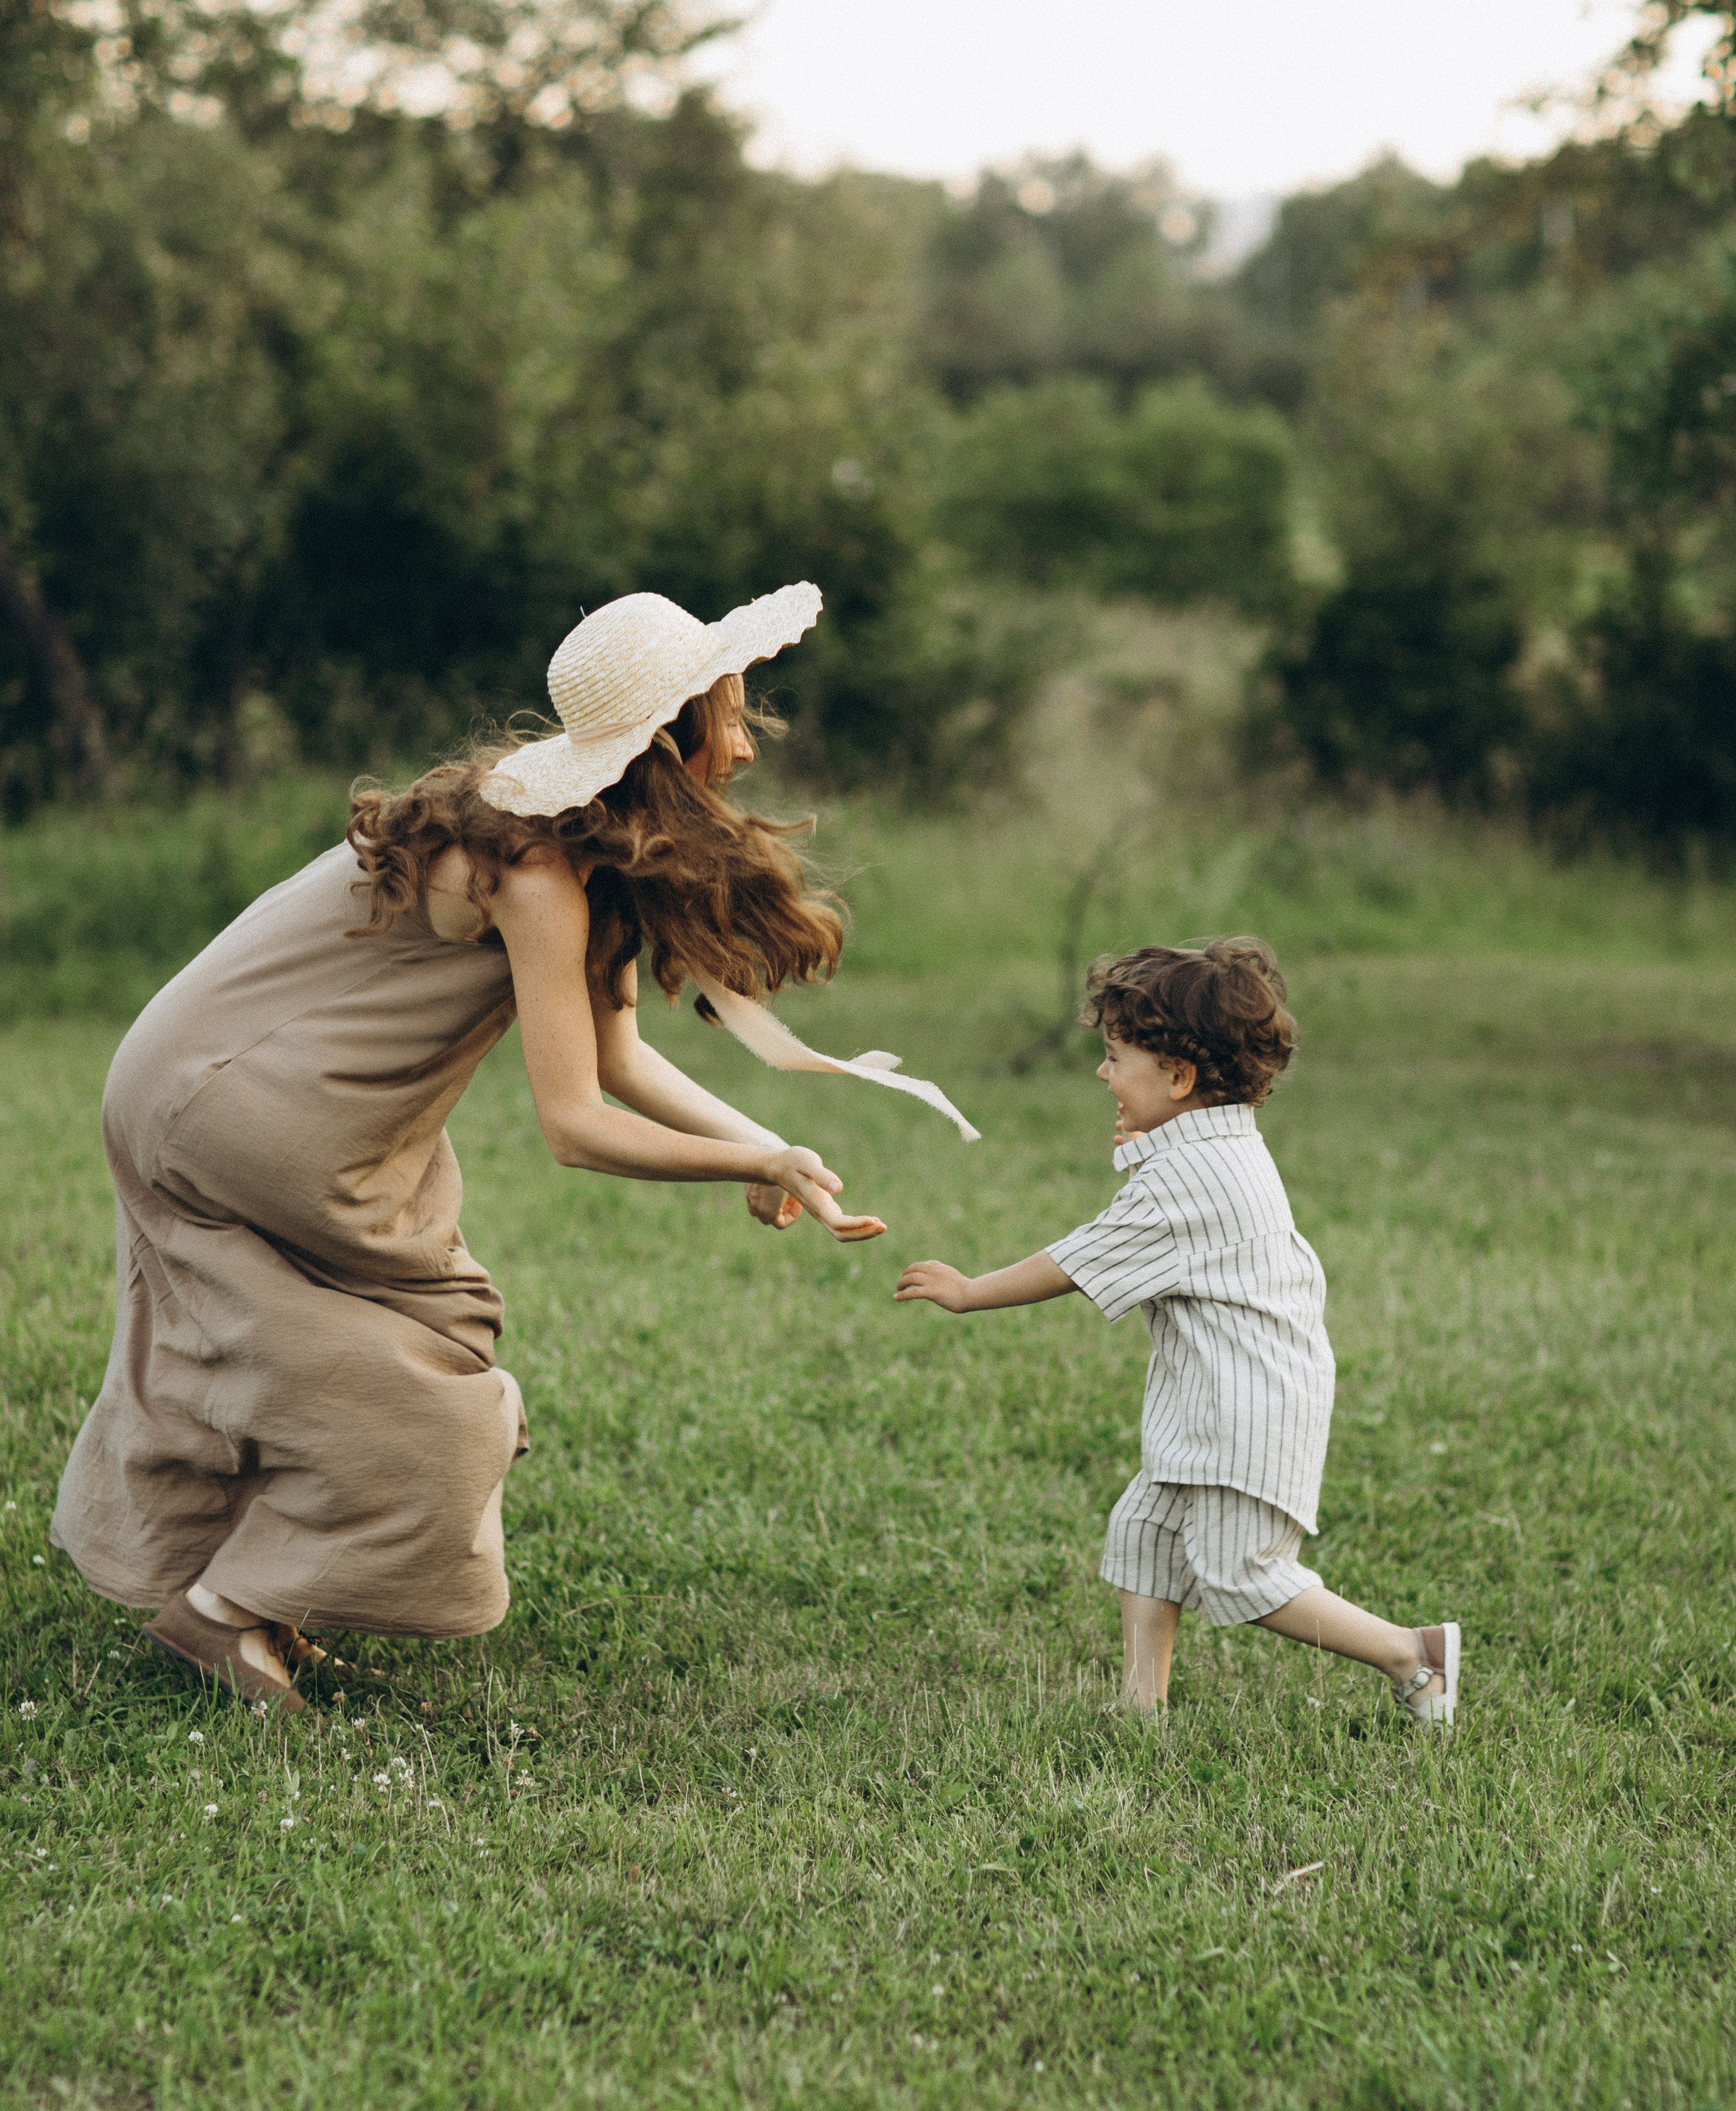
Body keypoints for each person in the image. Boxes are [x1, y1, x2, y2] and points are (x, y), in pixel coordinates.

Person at [51, 582, 893, 1714]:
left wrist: (778, 1149)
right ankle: (220, 1613)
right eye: (728, 715)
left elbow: (625, 1060)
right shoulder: (535, 872)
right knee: (422, 1376)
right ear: (666, 740)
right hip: (233, 1103)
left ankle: (257, 1597)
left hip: (227, 1086)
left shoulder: (572, 842)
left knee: (421, 1329)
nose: (743, 743)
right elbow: (577, 1123)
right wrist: (751, 1164)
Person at [894, 938, 1459, 1727]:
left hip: (1246, 1410)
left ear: (1179, 1077)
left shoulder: (1192, 1176)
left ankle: (1410, 1652)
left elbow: (1084, 1253)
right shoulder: (1215, 1141)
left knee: (1242, 1575)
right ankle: (1139, 1705)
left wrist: (968, 1290)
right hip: (1221, 1401)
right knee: (1146, 1534)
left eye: (1115, 1055)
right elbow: (1160, 1200)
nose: (1102, 1072)